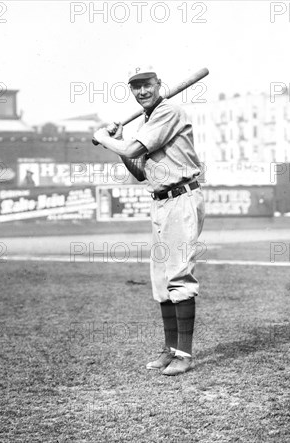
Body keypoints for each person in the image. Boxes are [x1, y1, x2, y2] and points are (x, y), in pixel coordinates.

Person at [93, 68, 205, 376]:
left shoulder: (168, 111)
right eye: (136, 87)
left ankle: (184, 354)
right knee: (161, 281)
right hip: (160, 202)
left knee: (179, 276)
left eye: (147, 85)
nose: (142, 91)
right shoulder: (150, 118)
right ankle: (170, 350)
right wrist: (118, 140)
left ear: (159, 86)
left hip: (181, 199)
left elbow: (132, 149)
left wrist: (104, 139)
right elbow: (139, 169)